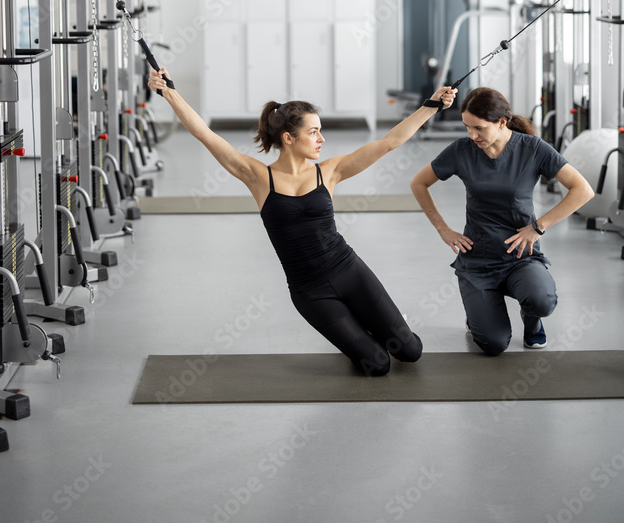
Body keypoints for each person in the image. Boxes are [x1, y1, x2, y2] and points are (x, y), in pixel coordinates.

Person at [147, 67, 455, 376]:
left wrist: (432, 104)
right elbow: (205, 134)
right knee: (377, 365)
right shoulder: (258, 177)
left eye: (320, 130)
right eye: (313, 132)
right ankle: (363, 330)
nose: (321, 139)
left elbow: (390, 141)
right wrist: (168, 91)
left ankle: (384, 322)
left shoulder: (329, 171)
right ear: (288, 138)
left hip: (350, 271)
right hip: (311, 292)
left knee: (411, 352)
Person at [409, 86, 594, 356]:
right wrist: (443, 229)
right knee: (494, 344)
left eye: (479, 128)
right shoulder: (462, 150)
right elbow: (419, 183)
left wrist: (538, 227)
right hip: (478, 259)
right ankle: (478, 313)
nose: (472, 135)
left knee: (541, 300)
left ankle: (532, 322)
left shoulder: (532, 148)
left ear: (502, 122)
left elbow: (583, 190)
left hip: (520, 257)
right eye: (467, 127)